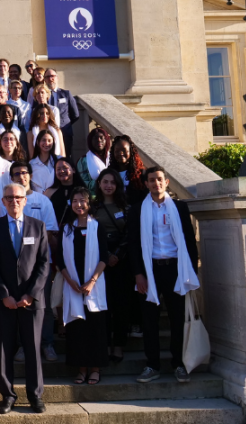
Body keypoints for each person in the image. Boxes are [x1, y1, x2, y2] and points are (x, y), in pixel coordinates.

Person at [128, 166, 199, 384]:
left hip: (175, 269)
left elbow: (189, 240)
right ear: (146, 183)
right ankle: (152, 365)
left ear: (166, 182)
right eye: (151, 180)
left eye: (159, 179)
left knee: (178, 319)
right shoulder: (138, 209)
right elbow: (133, 244)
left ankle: (178, 364)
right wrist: (139, 274)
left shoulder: (179, 207)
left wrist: (191, 272)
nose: (156, 183)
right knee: (150, 320)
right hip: (150, 270)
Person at [0, 183, 49, 415]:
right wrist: (4, 295)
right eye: (9, 197)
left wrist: (30, 294)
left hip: (31, 300)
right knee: (4, 349)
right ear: (3, 201)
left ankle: (35, 396)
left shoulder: (37, 226)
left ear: (25, 200)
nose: (14, 201)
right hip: (5, 302)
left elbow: (44, 264)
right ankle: (8, 395)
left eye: (18, 197)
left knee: (32, 349)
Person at [58, 187, 109, 385]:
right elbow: (60, 259)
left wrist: (92, 281)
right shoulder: (67, 228)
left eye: (83, 201)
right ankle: (80, 370)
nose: (79, 205)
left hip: (93, 285)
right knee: (77, 329)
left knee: (95, 328)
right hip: (72, 285)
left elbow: (104, 257)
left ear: (89, 204)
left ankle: (95, 369)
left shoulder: (98, 227)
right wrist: (70, 281)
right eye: (75, 201)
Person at [9, 161, 60, 362]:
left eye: (24, 173)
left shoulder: (43, 201)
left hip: (40, 263)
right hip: (17, 264)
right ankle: (23, 346)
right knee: (21, 305)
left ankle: (47, 343)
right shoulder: (9, 201)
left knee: (43, 304)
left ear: (30, 175)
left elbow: (50, 231)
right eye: (16, 174)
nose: (21, 176)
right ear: (11, 178)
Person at [92, 169, 132, 363]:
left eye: (112, 182)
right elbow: (90, 234)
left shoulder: (126, 208)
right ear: (99, 184)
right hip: (99, 262)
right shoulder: (92, 207)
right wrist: (105, 255)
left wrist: (116, 255)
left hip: (122, 263)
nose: (108, 185)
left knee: (121, 305)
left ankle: (118, 345)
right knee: (103, 306)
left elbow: (130, 234)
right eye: (105, 181)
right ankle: (105, 343)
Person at [44, 68, 79, 156]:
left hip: (64, 132)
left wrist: (64, 123)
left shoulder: (66, 94)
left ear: (57, 78)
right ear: (44, 79)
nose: (50, 78)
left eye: (52, 76)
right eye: (47, 76)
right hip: (47, 133)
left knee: (66, 157)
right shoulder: (42, 95)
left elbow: (75, 114)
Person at [45, 157, 87, 228]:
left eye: (65, 168)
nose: (62, 171)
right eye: (58, 169)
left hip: (78, 230)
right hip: (56, 233)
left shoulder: (83, 191)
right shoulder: (49, 192)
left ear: (73, 170)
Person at [109, 135, 148, 206]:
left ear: (131, 152)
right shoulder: (109, 173)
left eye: (124, 150)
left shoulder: (141, 174)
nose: (121, 153)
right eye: (117, 151)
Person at [77, 128, 112, 194]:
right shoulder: (83, 161)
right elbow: (83, 182)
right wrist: (101, 182)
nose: (99, 140)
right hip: (93, 198)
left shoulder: (113, 158)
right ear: (90, 141)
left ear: (106, 140)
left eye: (101, 138)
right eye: (95, 138)